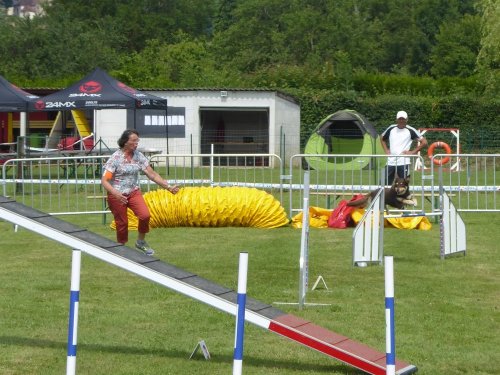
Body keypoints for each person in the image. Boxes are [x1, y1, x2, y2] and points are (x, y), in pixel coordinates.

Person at [101, 129, 179, 255]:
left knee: (145, 215)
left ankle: (140, 242)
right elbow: (104, 180)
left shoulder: (139, 156)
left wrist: (168, 187)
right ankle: (121, 248)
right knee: (122, 223)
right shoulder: (115, 158)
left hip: (133, 192)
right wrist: (115, 193)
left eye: (138, 141)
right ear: (125, 142)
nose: (136, 143)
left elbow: (152, 175)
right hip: (116, 195)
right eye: (134, 141)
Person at [380, 110, 428, 184]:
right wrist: (386, 150)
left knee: (404, 184)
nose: (401, 121)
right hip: (390, 161)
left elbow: (424, 142)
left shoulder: (411, 130)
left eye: (403, 119)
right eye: (400, 119)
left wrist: (413, 152)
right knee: (384, 184)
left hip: (403, 162)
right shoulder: (391, 128)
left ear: (407, 119)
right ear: (396, 119)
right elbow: (382, 138)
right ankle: (385, 196)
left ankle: (402, 196)